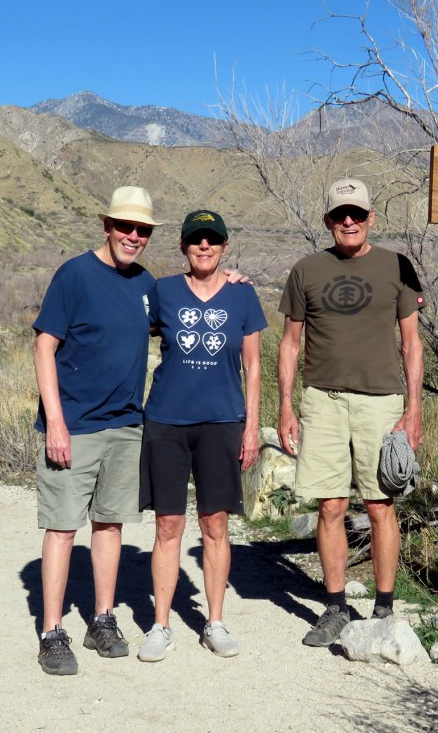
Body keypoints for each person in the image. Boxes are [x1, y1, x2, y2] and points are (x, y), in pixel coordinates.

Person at [277, 177, 425, 647]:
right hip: (322, 399)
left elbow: (411, 342)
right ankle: (336, 606)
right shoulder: (306, 270)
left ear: (370, 219)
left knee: (381, 505)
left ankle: (384, 607)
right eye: (340, 214)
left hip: (381, 401)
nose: (348, 221)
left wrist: (414, 408)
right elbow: (289, 343)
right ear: (328, 221)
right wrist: (285, 407)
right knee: (331, 506)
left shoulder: (397, 267)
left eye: (357, 214)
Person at [32, 185, 160, 676]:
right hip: (75, 426)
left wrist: (230, 280)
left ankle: (102, 619)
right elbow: (45, 346)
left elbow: (184, 307)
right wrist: (56, 422)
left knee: (110, 523)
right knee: (62, 528)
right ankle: (51, 630)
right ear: (106, 226)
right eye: (125, 226)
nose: (133, 236)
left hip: (127, 425)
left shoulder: (145, 284)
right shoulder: (75, 275)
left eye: (142, 229)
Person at [136, 209, 266, 662]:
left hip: (222, 422)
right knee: (168, 524)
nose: (204, 246)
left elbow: (253, 365)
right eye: (196, 240)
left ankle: (214, 620)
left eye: (213, 240)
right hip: (167, 421)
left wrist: (251, 427)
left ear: (225, 246)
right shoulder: (163, 290)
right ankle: (160, 624)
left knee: (215, 523)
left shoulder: (242, 295)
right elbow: (132, 330)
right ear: (184, 247)